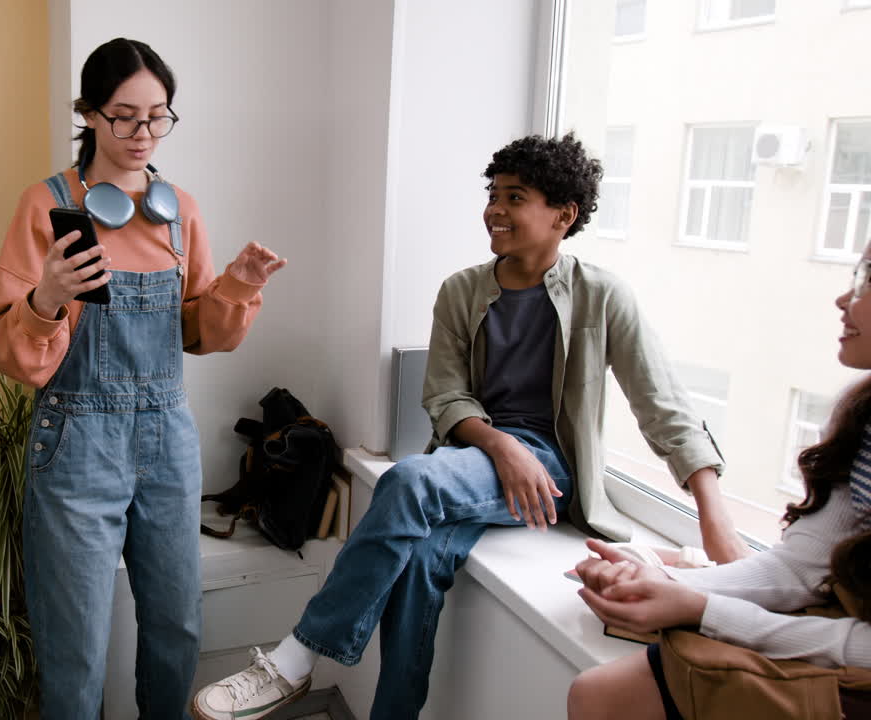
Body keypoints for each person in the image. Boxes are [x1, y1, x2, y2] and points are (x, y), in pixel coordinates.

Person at [191, 133, 746, 720]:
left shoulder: (603, 295)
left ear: (564, 215)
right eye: (493, 194)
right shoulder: (462, 291)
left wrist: (714, 516)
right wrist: (500, 444)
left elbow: (663, 405)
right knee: (420, 562)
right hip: (477, 455)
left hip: (549, 469)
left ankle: (296, 658)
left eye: (515, 197)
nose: (495, 209)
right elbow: (445, 396)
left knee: (407, 482)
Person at [0, 38, 286, 719]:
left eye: (157, 117)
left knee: (177, 628)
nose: (142, 134)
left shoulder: (182, 213)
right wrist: (47, 298)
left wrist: (237, 286)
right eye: (123, 116)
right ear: (88, 113)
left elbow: (196, 333)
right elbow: (10, 350)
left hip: (167, 442)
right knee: (76, 643)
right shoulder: (47, 206)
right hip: (77, 442)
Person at [566, 249, 871, 719]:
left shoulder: (603, 291)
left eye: (866, 278)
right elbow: (797, 570)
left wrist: (700, 606)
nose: (842, 297)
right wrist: (654, 579)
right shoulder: (862, 417)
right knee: (598, 693)